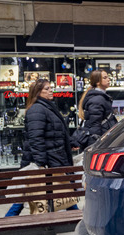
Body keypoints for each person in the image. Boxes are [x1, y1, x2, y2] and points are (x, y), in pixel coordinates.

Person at [5, 79, 75, 216]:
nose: (51, 91)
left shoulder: (46, 107)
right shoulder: (38, 109)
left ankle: (8, 219)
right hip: (48, 160)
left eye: (51, 88)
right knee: (59, 190)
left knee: (60, 190)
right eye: (47, 89)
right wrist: (41, 163)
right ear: (38, 92)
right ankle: (7, 220)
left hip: (54, 157)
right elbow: (35, 138)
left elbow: (55, 134)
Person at [77, 70, 118, 148]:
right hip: (101, 141)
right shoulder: (97, 99)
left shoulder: (100, 97)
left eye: (108, 77)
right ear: (98, 82)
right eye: (105, 78)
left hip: (104, 138)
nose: (108, 79)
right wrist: (96, 145)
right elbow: (94, 124)